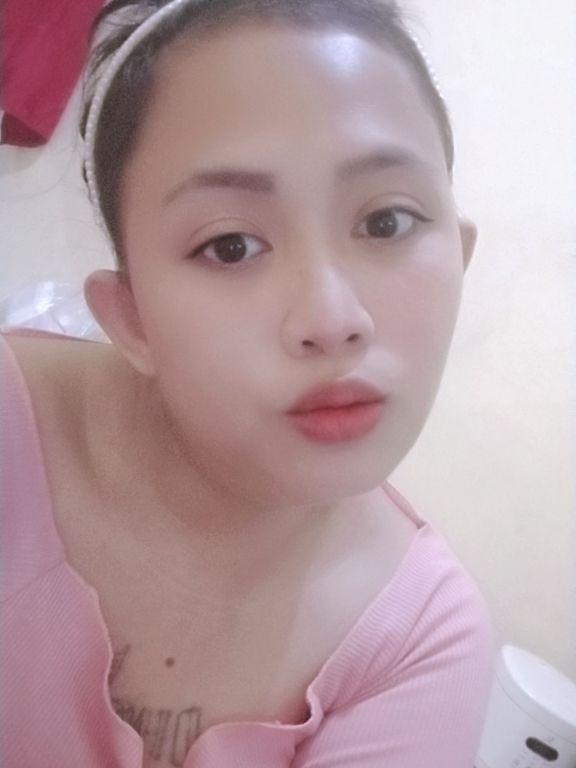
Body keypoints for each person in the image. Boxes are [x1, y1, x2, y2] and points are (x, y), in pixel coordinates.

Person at [0, 0, 497, 766]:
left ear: (459, 260)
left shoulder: (422, 637)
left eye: (387, 223)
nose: (333, 319)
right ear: (131, 318)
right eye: (230, 244)